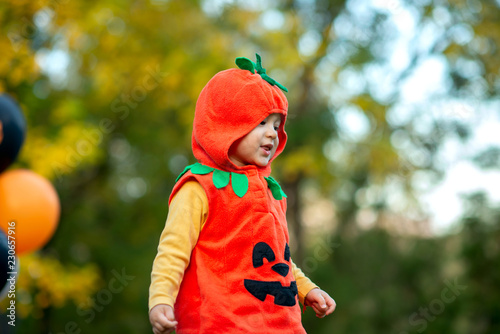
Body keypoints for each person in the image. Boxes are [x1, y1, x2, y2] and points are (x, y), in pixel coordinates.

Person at [149, 54, 336, 334]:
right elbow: (174, 250)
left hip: (280, 324)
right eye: (260, 123)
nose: (272, 134)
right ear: (226, 123)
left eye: (276, 125)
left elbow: (277, 259)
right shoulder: (200, 187)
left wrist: (307, 289)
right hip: (222, 323)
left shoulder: (272, 192)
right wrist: (161, 298)